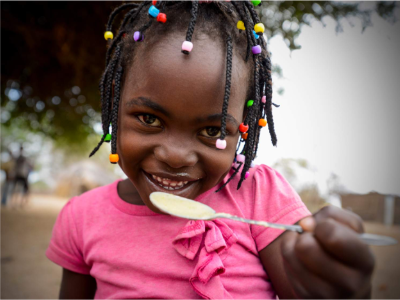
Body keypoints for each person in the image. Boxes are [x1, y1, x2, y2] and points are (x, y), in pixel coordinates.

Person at [46, 1, 375, 299]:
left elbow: (309, 288)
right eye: (149, 119)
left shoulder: (258, 196)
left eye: (211, 131)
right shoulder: (81, 217)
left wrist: (335, 281)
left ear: (243, 125)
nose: (176, 156)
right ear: (115, 101)